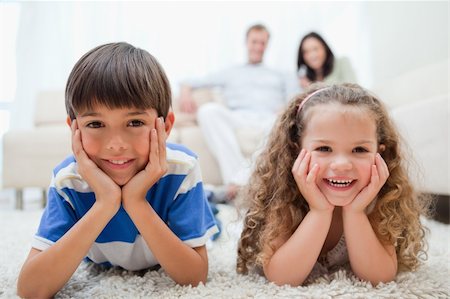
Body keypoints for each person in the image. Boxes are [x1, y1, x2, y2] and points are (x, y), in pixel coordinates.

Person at [17, 42, 219, 298]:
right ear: (74, 129)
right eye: (96, 124)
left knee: (212, 219)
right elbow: (31, 289)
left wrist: (135, 201)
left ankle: (210, 201)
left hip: (180, 210)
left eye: (134, 122)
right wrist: (106, 202)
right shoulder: (69, 181)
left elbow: (194, 277)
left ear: (165, 126)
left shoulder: (181, 169)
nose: (116, 144)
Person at [236, 83, 430, 286]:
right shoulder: (284, 199)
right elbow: (282, 278)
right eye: (324, 148)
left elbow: (378, 278)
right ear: (295, 151)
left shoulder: (379, 201)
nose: (342, 165)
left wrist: (356, 212)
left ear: (379, 153)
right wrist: (319, 211)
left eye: (359, 150)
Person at [178, 24, 292, 202]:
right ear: (247, 43)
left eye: (262, 43)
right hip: (238, 118)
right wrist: (185, 90)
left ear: (267, 45)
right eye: (255, 42)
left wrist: (284, 108)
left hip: (269, 119)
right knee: (208, 111)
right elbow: (192, 81)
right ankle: (240, 180)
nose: (258, 47)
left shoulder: (279, 74)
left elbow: (295, 98)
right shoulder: (231, 72)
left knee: (280, 121)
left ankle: (238, 185)